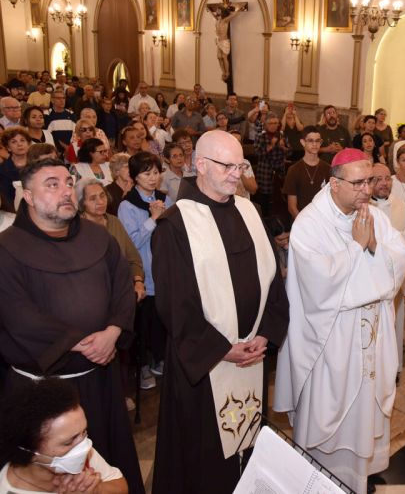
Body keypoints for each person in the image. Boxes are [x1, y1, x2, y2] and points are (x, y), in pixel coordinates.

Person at [151, 130, 289, 494]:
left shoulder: (250, 210)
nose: (237, 173)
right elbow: (174, 304)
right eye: (227, 165)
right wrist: (221, 349)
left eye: (241, 164)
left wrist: (266, 334)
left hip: (251, 354)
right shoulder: (175, 225)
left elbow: (274, 279)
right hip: (206, 364)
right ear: (200, 165)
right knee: (204, 455)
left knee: (249, 442)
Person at [0, 158, 144, 493]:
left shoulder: (99, 237)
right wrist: (77, 341)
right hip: (41, 394)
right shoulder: (6, 248)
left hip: (101, 380)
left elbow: (123, 287)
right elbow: (16, 312)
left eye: (68, 182)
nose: (66, 191)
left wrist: (113, 332)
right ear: (29, 196)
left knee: (109, 474)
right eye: (52, 184)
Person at [274, 148, 405, 494]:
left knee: (366, 404)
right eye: (359, 182)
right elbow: (320, 285)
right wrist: (357, 249)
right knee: (330, 409)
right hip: (331, 338)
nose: (367, 189)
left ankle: (360, 473)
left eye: (370, 180)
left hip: (369, 330)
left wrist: (374, 248)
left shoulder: (374, 215)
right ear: (334, 184)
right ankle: (321, 476)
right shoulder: (309, 223)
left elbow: (401, 258)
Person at [0, 378, 128, 494]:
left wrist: (97, 490)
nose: (84, 444)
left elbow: (120, 484)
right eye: (68, 442)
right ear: (30, 453)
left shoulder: (81, 453)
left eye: (84, 432)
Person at [117, 152, 173, 389]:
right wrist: (153, 219)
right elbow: (130, 244)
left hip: (165, 270)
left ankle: (160, 359)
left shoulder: (164, 198)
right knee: (143, 324)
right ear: (134, 177)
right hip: (144, 273)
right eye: (146, 173)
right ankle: (141, 368)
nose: (153, 178)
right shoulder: (127, 204)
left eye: (156, 173)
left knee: (162, 322)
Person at [370, 163, 405, 379]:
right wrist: (393, 242)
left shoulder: (401, 206)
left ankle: (393, 368)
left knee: (394, 322)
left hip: (393, 278)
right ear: (368, 182)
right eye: (378, 179)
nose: (384, 183)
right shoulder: (361, 206)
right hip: (369, 280)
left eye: (387, 179)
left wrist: (384, 243)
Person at [282, 125, 331, 219]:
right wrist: (305, 225)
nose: (315, 144)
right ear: (303, 142)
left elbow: (331, 200)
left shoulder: (328, 168)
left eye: (318, 141)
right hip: (301, 221)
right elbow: (292, 207)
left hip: (323, 220)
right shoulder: (294, 170)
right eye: (311, 140)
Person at [253, 112, 287, 216]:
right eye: (271, 123)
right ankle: (264, 219)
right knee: (264, 199)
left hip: (279, 172)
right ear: (266, 124)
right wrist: (271, 146)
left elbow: (290, 152)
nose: (274, 125)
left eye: (276, 123)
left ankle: (276, 219)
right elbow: (256, 153)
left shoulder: (281, 135)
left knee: (278, 198)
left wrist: (283, 147)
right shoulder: (260, 136)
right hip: (265, 172)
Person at [0, 127, 30, 205]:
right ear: (8, 148)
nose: (19, 144)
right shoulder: (3, 170)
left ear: (28, 144)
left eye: (22, 140)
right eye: (14, 142)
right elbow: (6, 198)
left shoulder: (38, 165)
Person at [44, 91, 75, 157]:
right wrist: (63, 147)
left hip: (71, 150)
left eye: (63, 98)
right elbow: (47, 134)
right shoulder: (46, 114)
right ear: (52, 100)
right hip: (54, 151)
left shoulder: (71, 114)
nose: (62, 100)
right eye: (58, 98)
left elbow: (76, 133)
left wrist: (70, 148)